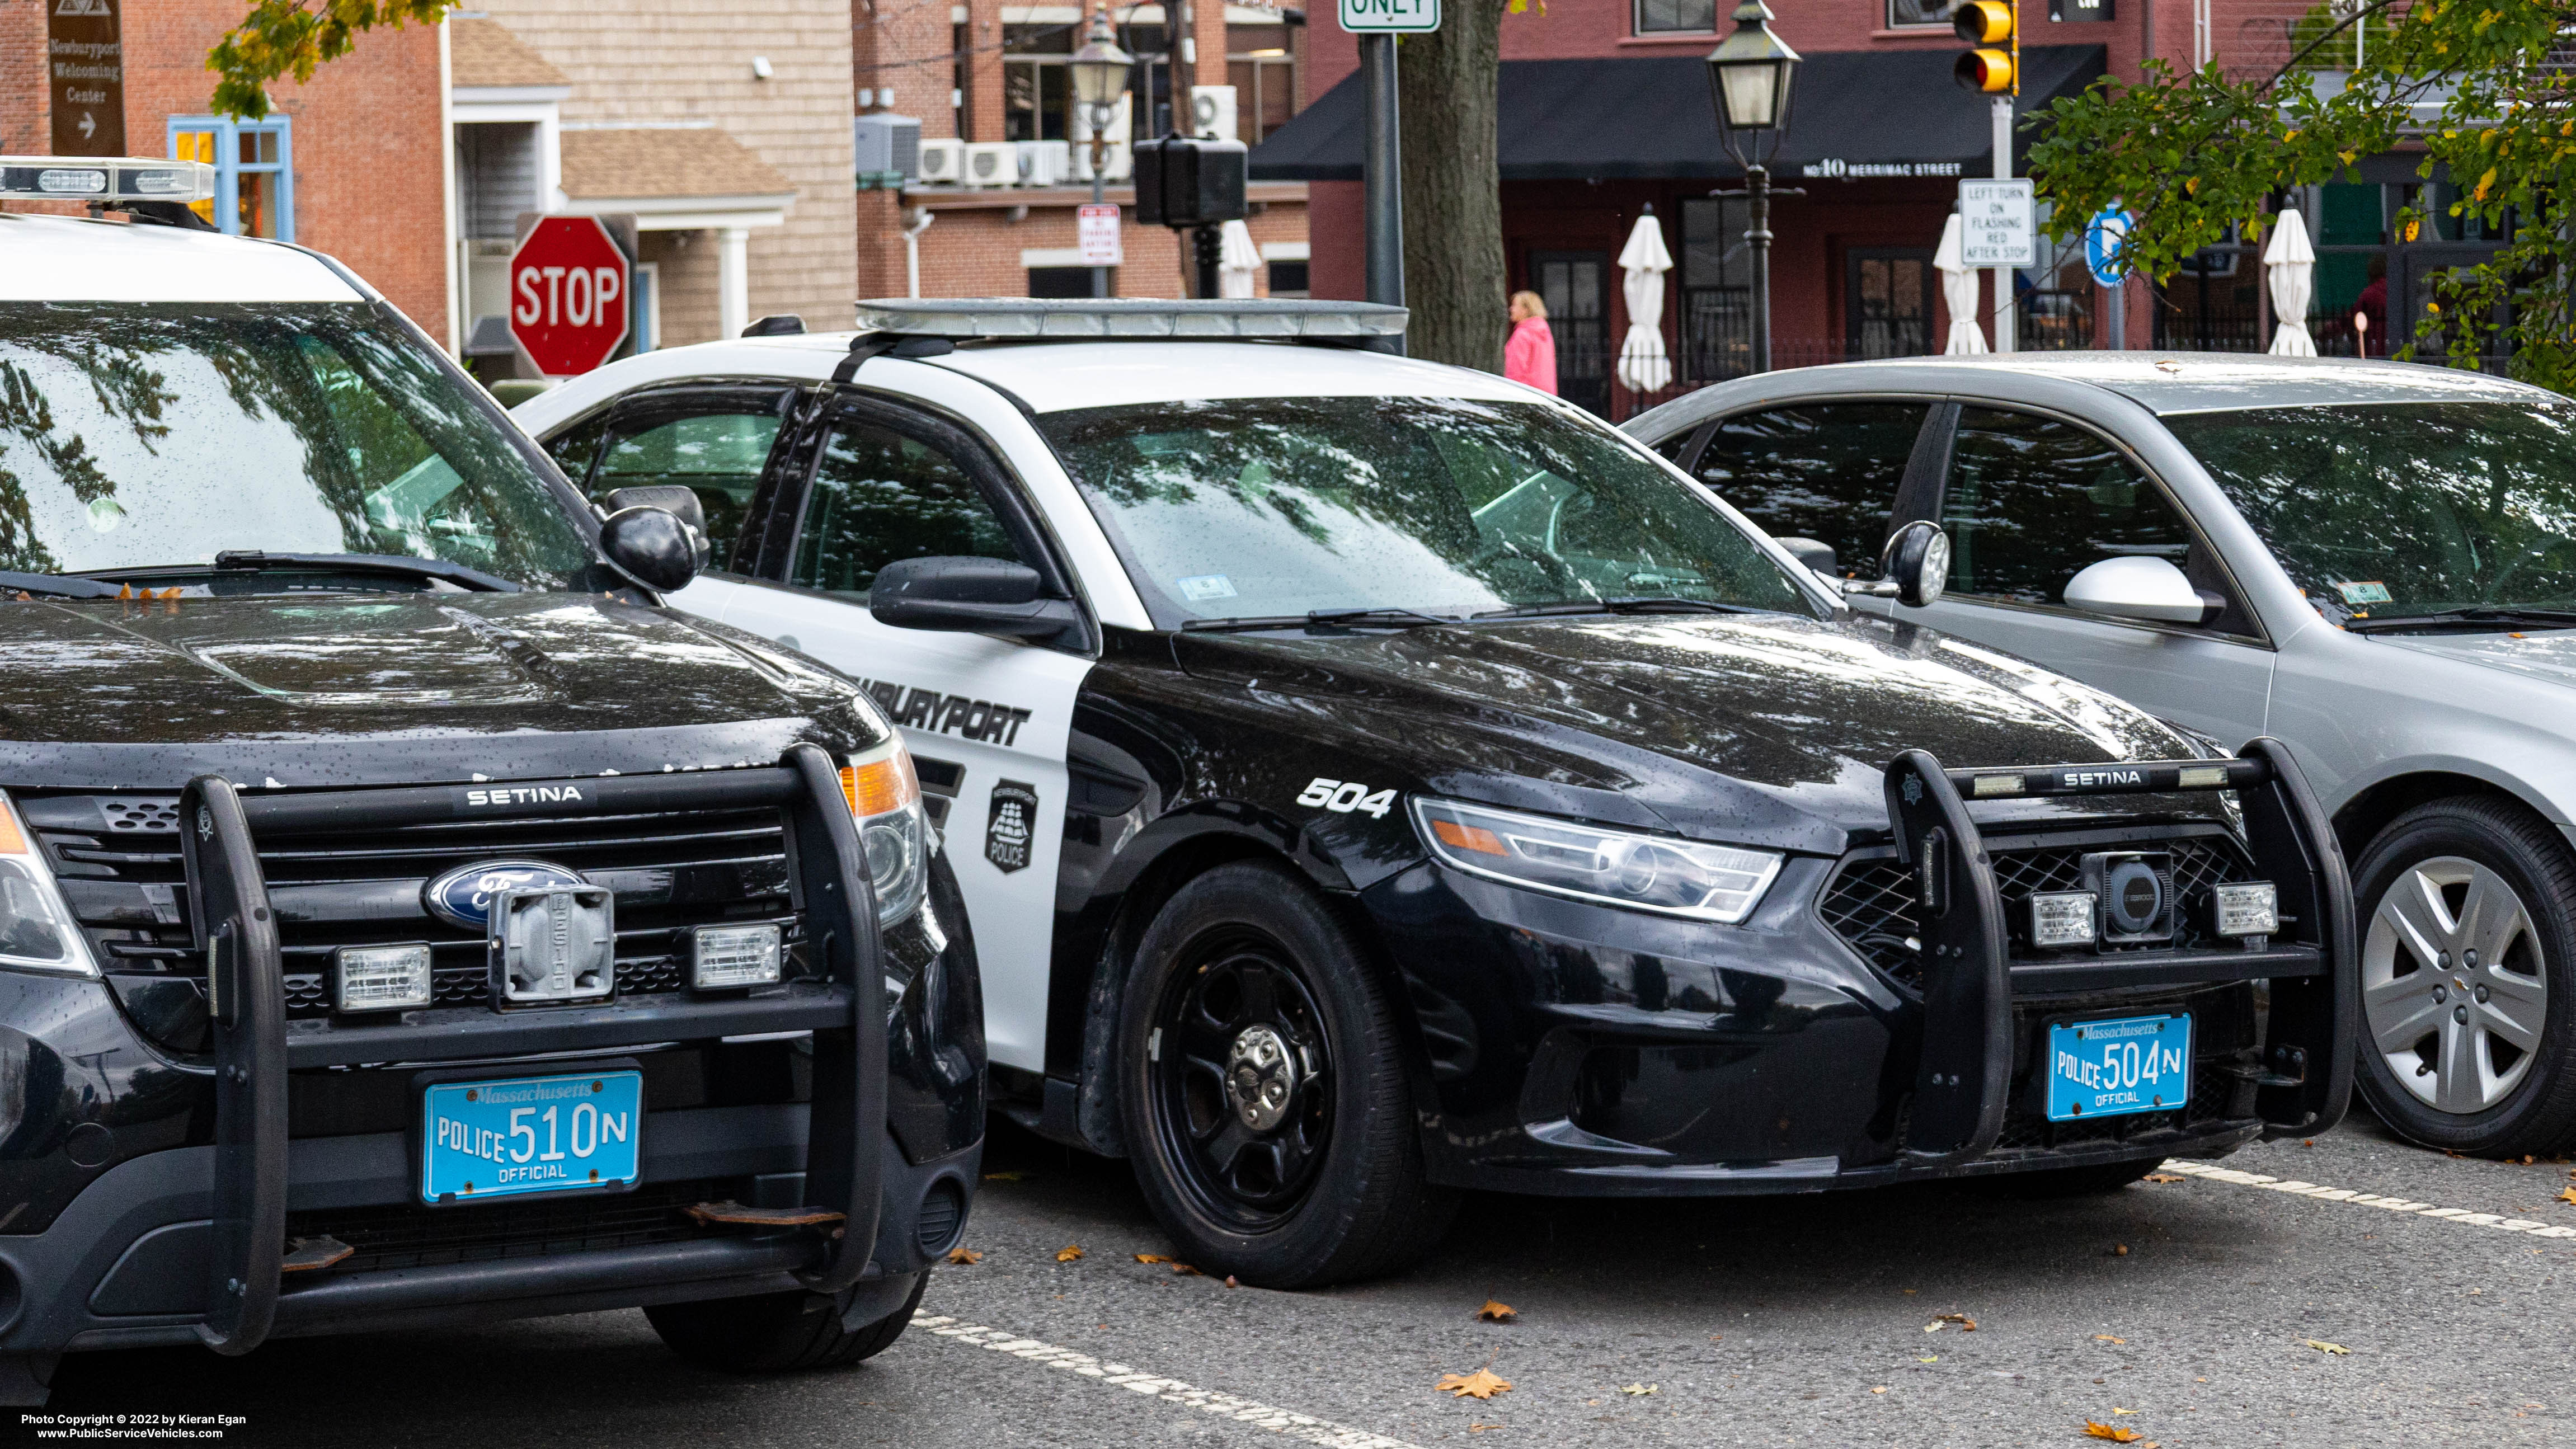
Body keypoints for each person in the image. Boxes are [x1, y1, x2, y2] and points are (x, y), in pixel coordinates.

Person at [1505, 290, 1558, 395]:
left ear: (1526, 310)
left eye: (1515, 305)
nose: (1511, 309)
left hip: (1526, 394)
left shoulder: (1522, 335)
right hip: (1546, 395)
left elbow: (1515, 372)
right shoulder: (1545, 332)